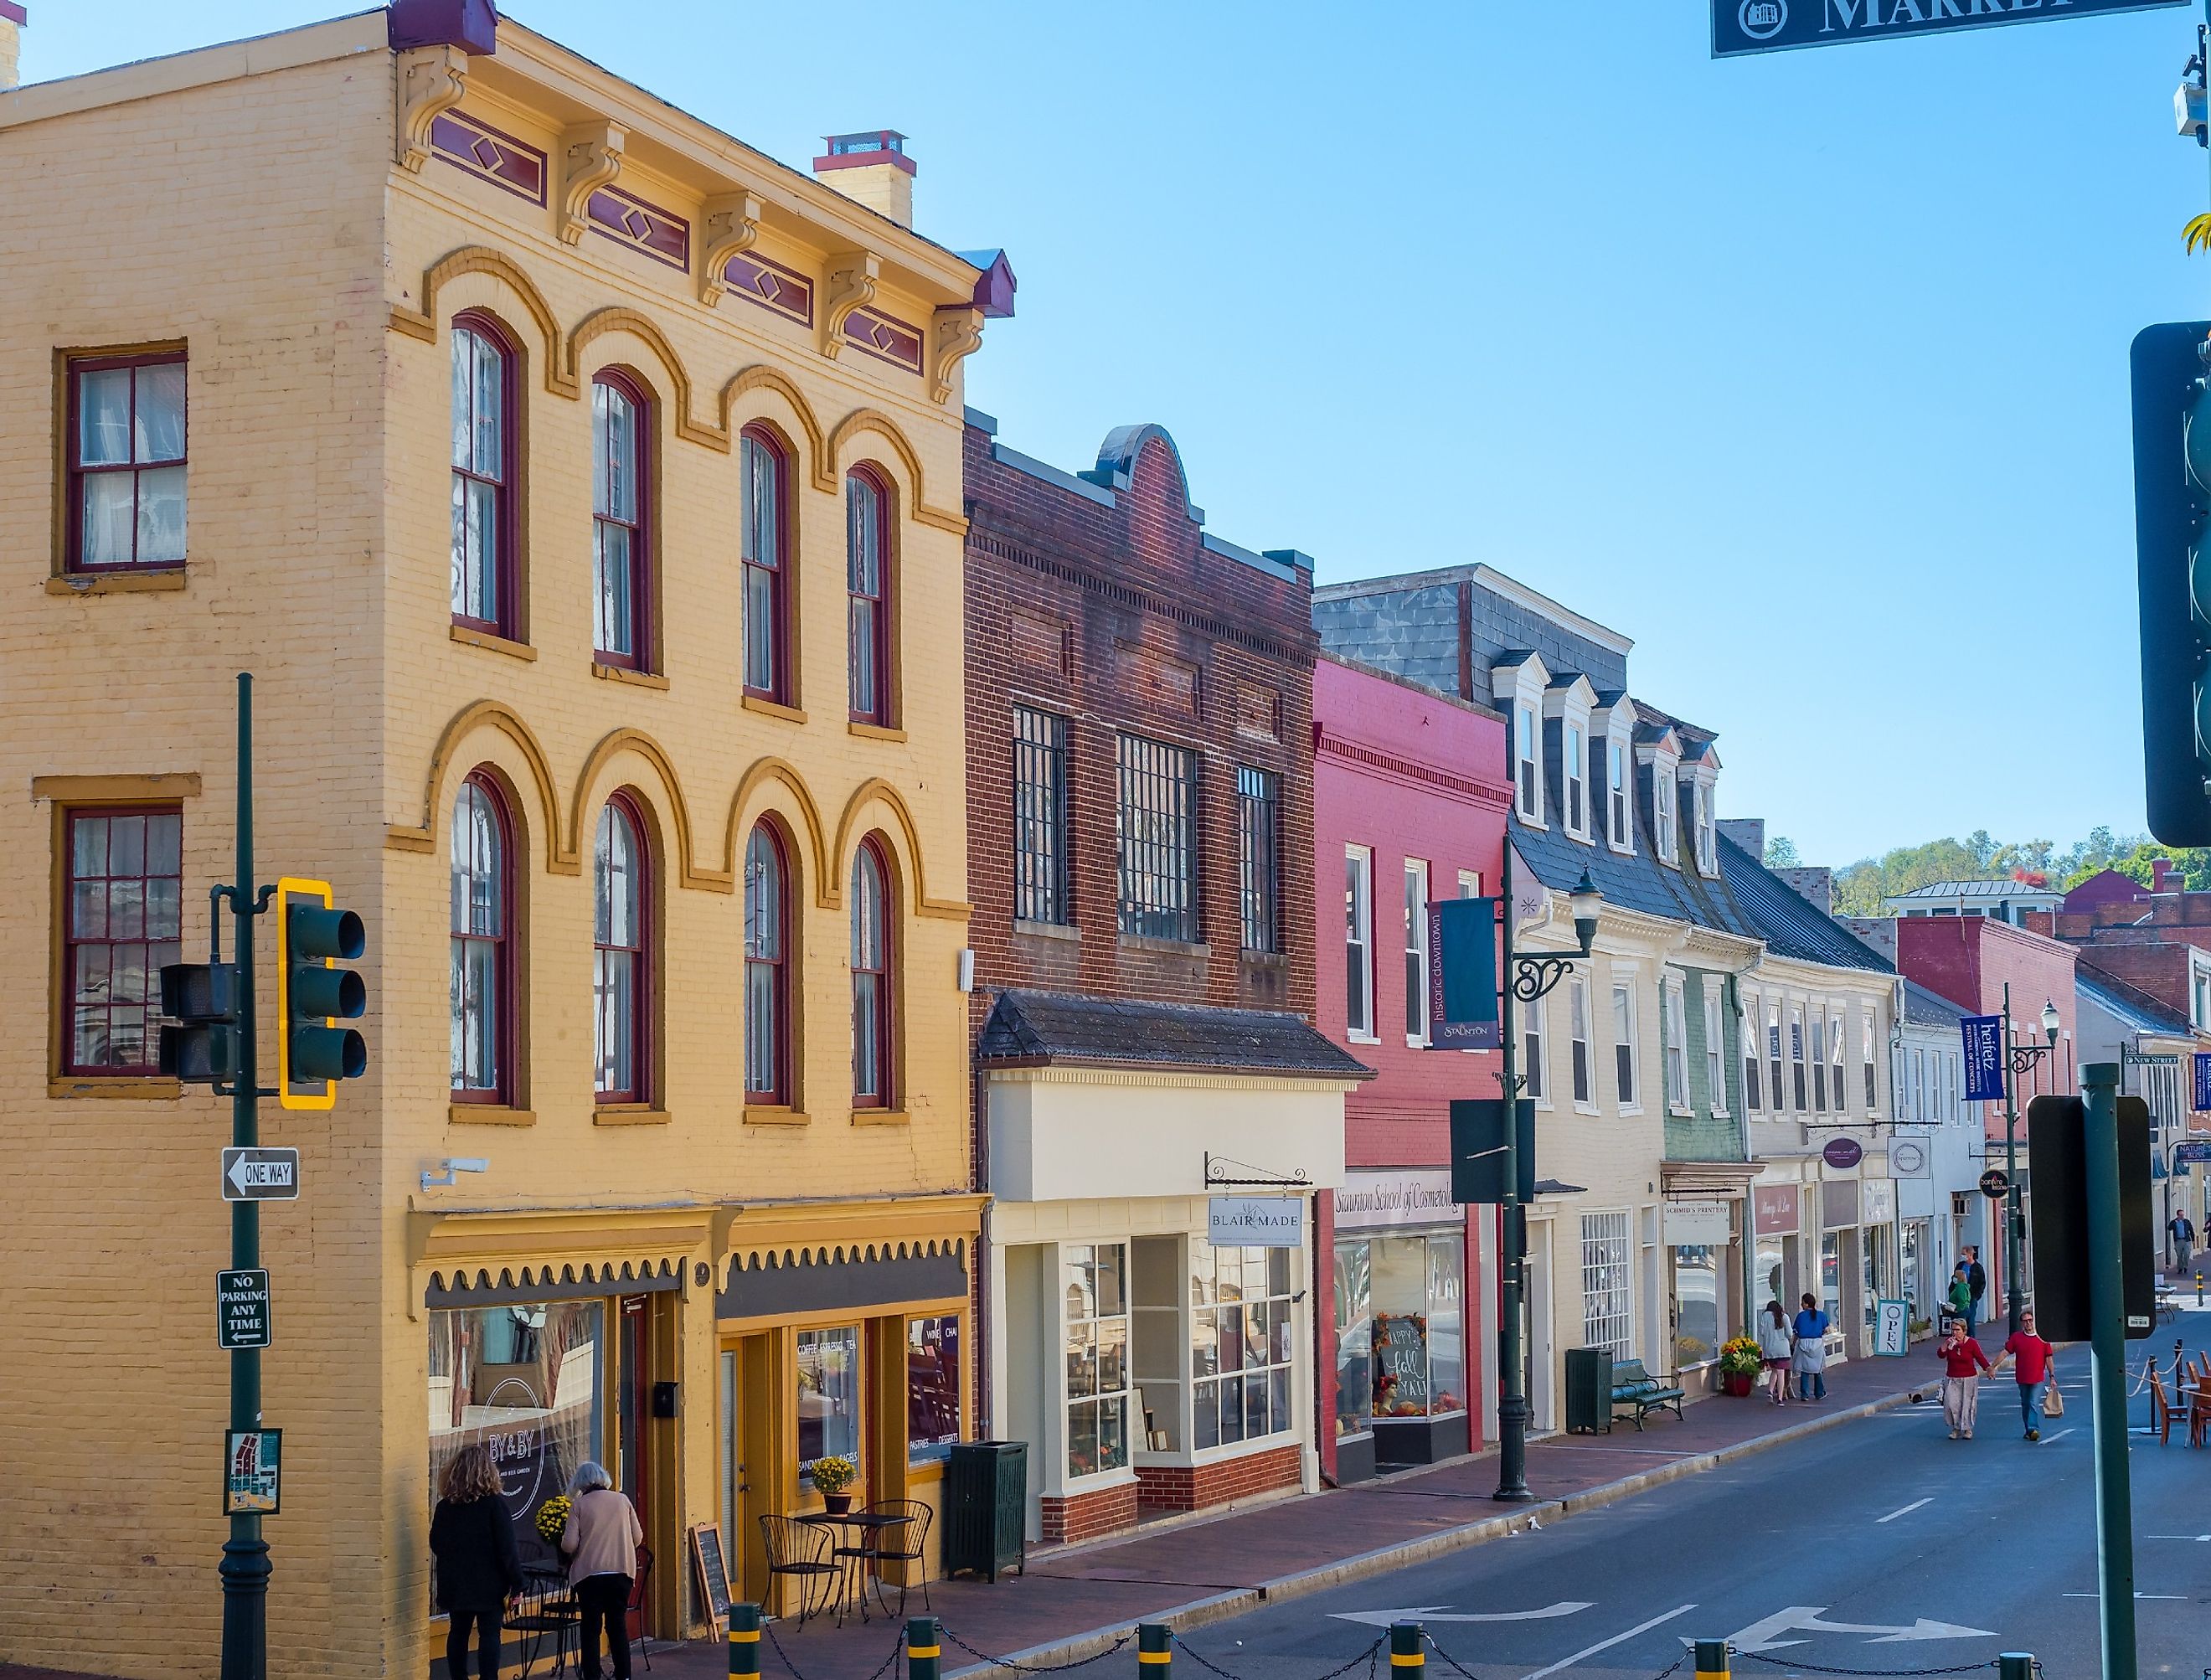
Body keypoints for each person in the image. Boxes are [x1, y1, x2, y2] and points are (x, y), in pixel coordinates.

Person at [430, 1444, 523, 1680]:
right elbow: (507, 1549)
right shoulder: (495, 1505)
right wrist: (518, 1584)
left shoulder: (445, 1508)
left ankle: (458, 1677)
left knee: (458, 1632)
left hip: (456, 1583)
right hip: (489, 1584)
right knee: (490, 1634)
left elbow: (437, 1544)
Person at [561, 1461, 643, 1680]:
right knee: (617, 1626)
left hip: (590, 1577)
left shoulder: (579, 1506)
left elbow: (569, 1545)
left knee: (591, 1628)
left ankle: (591, 1675)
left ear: (580, 1482)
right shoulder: (622, 1500)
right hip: (621, 1573)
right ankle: (624, 1675)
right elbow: (637, 1538)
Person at [1996, 1306, 2056, 1441]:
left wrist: (2052, 1376)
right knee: (2025, 1404)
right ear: (2021, 1323)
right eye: (2025, 1321)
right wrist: (1993, 1366)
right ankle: (2028, 1429)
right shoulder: (2016, 1338)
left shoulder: (2042, 1338)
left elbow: (2049, 1358)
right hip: (2022, 1378)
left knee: (2033, 1403)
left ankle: (2034, 1429)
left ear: (2034, 1321)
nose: (2028, 1323)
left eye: (2030, 1320)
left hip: (2037, 1378)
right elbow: (2005, 1352)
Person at [1936, 1318, 1992, 1440]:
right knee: (1951, 1404)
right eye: (1953, 1330)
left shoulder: (1972, 1343)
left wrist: (1988, 1369)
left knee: (1967, 1404)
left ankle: (1967, 1429)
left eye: (1957, 1330)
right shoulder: (1950, 1343)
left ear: (1964, 1331)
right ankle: (1956, 1428)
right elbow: (1941, 1355)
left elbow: (1980, 1357)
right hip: (1952, 1377)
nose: (1955, 1333)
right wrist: (1946, 1345)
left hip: (1969, 1378)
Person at [1791, 1292, 1831, 1402]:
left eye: (1802, 1302)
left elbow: (1796, 1333)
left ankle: (1805, 1394)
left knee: (1805, 1369)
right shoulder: (1821, 1315)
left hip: (1803, 1343)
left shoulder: (1801, 1316)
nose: (1801, 1304)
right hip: (1817, 1343)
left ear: (1807, 1304)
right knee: (1818, 1369)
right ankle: (1819, 1393)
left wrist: (1793, 1345)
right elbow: (1826, 1330)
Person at [1756, 1299, 1794, 1405]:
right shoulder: (1784, 1317)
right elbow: (1790, 1334)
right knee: (1781, 1373)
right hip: (1782, 1349)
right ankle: (1780, 1398)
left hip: (1769, 1349)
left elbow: (1762, 1332)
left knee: (1774, 1371)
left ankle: (1770, 1391)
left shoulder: (1764, 1317)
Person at [1965, 1247, 1987, 1337]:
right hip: (1961, 1296)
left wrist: (1976, 1296)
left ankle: (1971, 1341)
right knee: (1961, 1321)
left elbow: (1982, 1282)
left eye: (1964, 1254)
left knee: (1970, 1321)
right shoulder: (1961, 1265)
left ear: (1970, 1255)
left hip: (1972, 1296)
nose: (1963, 1256)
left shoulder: (1978, 1268)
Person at [1943, 1265, 1972, 1331]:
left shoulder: (1960, 1287)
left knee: (1958, 1329)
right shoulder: (1964, 1286)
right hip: (1965, 1309)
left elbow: (1962, 1300)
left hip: (1961, 1311)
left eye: (1955, 1276)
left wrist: (1958, 1310)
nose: (1954, 1278)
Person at [2172, 1210, 2197, 1279]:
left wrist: (2193, 1240)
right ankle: (2180, 1268)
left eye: (2183, 1215)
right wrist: (2174, 1222)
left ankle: (2185, 1267)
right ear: (2178, 1216)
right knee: (2179, 1255)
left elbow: (2191, 1230)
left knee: (2186, 1254)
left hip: (2186, 1240)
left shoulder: (2187, 1222)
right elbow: (2169, 1228)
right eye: (2181, 1215)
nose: (2182, 1216)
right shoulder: (2174, 1222)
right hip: (2178, 1241)